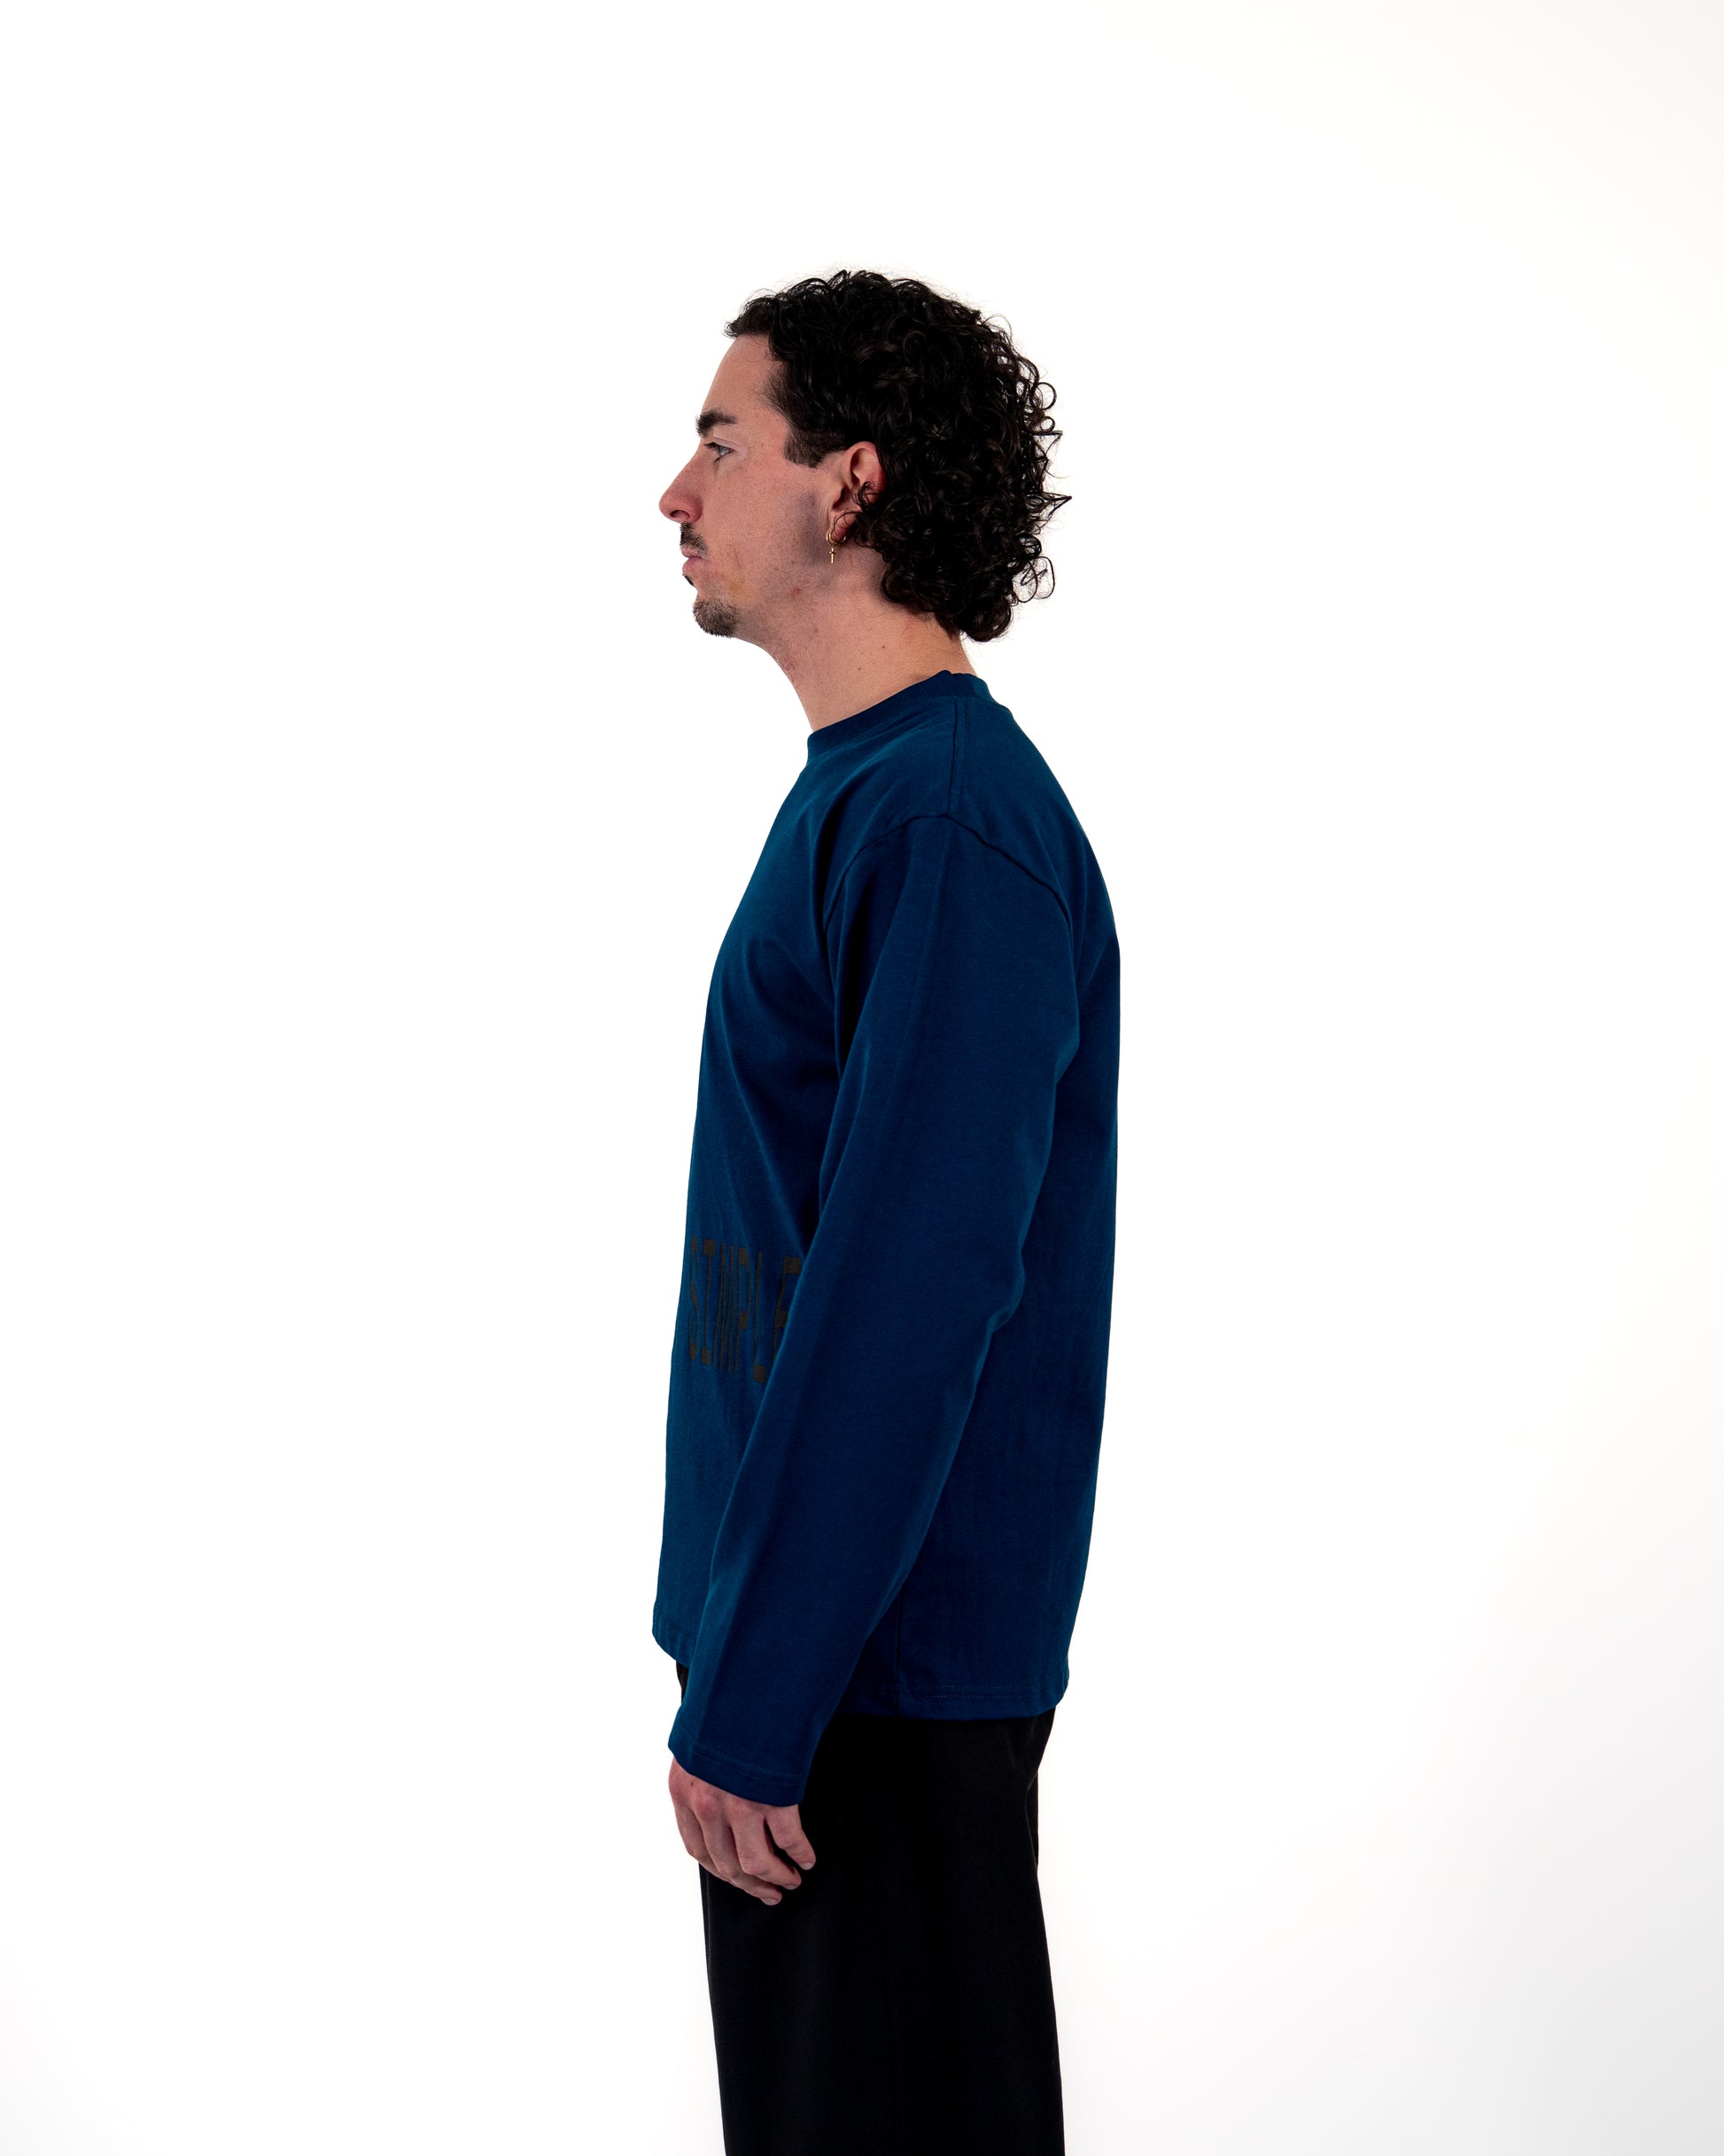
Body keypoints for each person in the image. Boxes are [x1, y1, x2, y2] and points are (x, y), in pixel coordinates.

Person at [652, 269, 1119, 2155]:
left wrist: (760, 1695)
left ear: (849, 479)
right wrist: (736, 1657)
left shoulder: (942, 820)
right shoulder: (874, 796)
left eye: (719, 441)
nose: (675, 493)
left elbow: (911, 1287)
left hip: (871, 1683)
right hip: (814, 1663)